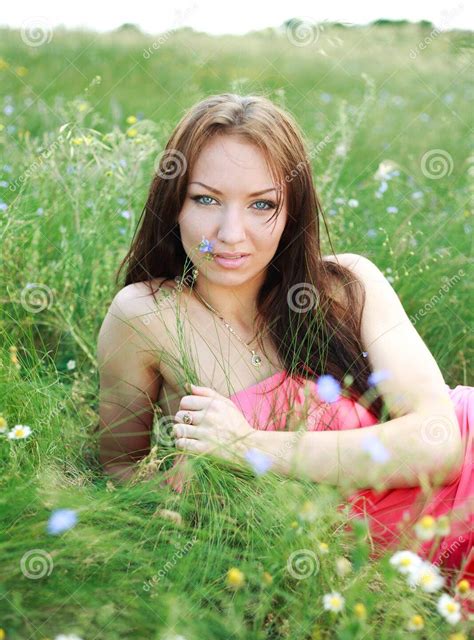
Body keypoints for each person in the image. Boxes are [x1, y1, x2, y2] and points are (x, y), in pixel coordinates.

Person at [97, 93, 473, 586]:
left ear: (291, 210)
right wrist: (191, 513)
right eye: (206, 199)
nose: (231, 234)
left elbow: (439, 442)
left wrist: (250, 446)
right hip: (359, 575)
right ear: (175, 204)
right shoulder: (147, 315)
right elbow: (120, 468)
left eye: (262, 205)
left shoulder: (346, 287)